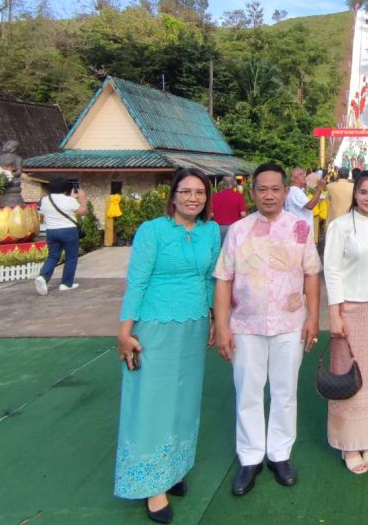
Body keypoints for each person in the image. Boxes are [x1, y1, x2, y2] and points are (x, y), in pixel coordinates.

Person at [113, 168, 221, 524]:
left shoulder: (209, 232)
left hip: (194, 325)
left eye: (199, 192)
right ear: (173, 196)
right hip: (155, 325)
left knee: (183, 399)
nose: (193, 198)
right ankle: (150, 484)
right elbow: (137, 281)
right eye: (186, 191)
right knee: (152, 401)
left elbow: (210, 280)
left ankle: (172, 469)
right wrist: (124, 331)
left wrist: (214, 318)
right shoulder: (152, 231)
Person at [214, 163, 322, 496]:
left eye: (276, 189)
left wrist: (313, 317)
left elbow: (311, 274)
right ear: (253, 192)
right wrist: (221, 326)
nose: (269, 195)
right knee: (248, 390)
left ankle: (279, 453)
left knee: (285, 390)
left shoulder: (300, 228)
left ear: (286, 192)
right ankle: (250, 457)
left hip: (290, 323)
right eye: (262, 189)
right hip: (246, 324)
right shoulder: (238, 230)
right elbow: (223, 279)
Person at [323, 170, 368, 474]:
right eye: (363, 192)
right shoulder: (340, 226)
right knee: (349, 374)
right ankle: (349, 443)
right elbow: (331, 269)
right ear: (355, 193)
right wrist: (334, 312)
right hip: (350, 309)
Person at [34, 179, 87, 295]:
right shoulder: (69, 200)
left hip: (51, 231)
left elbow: (49, 209)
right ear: (65, 189)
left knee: (53, 256)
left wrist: (71, 199)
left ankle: (43, 277)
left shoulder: (45, 200)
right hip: (68, 231)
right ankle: (66, 284)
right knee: (71, 257)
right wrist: (82, 198)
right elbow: (82, 211)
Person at [284, 166, 323, 238]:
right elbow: (310, 205)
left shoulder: (292, 190)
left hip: (296, 231)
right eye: (300, 174)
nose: (304, 176)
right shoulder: (295, 191)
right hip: (300, 234)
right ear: (293, 178)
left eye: (304, 174)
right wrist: (319, 188)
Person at [211, 175, 247, 242]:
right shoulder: (239, 196)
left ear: (223, 184)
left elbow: (211, 214)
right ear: (234, 183)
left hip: (218, 229)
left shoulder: (215, 196)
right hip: (234, 228)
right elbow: (243, 214)